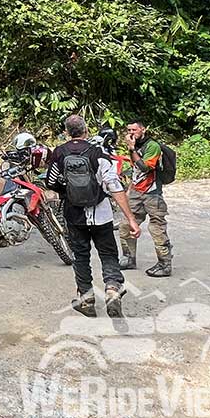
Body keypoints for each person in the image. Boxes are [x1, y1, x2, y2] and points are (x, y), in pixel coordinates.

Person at [45, 114, 141, 318]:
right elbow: (114, 186)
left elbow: (50, 182)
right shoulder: (98, 153)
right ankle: (113, 289)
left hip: (74, 215)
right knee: (107, 253)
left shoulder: (59, 153)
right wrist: (131, 218)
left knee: (80, 256)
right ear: (86, 131)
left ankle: (86, 299)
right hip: (102, 214)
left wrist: (66, 189)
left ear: (66, 133)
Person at [119, 121, 172, 277]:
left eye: (134, 129)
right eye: (128, 130)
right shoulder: (136, 145)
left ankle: (165, 264)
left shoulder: (152, 146)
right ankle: (129, 258)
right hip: (136, 192)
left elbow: (144, 167)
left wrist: (131, 148)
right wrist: (129, 189)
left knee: (157, 228)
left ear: (143, 129)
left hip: (152, 193)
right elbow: (135, 169)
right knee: (125, 225)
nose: (131, 133)